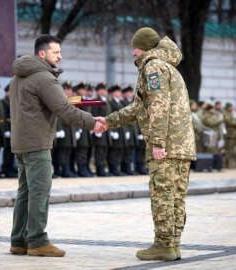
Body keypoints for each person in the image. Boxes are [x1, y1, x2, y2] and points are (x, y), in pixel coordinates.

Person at [94, 27, 196, 261]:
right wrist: (109, 121)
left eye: (135, 47)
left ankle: (163, 245)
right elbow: (140, 107)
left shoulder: (153, 67)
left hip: (166, 146)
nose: (133, 52)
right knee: (176, 196)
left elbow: (158, 107)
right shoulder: (167, 67)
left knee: (162, 194)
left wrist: (158, 143)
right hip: (182, 146)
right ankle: (173, 244)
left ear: (144, 47)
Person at [9, 34, 101, 257]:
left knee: (25, 192)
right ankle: (38, 241)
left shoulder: (18, 77)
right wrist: (92, 122)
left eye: (60, 52)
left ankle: (19, 240)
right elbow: (64, 109)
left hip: (21, 142)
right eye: (55, 52)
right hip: (37, 143)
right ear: (42, 54)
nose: (60, 56)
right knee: (39, 192)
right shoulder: (43, 77)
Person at [91, 82, 112, 176]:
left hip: (106, 129)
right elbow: (94, 114)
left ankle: (102, 168)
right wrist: (95, 128)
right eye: (102, 89)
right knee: (99, 151)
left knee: (104, 150)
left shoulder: (107, 101)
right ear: (98, 91)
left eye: (105, 89)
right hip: (99, 129)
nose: (105, 91)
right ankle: (99, 170)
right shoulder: (96, 101)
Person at [107, 84, 127, 176]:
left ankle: (117, 168)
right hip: (114, 129)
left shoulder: (121, 103)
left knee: (120, 150)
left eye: (119, 91)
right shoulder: (110, 103)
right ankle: (113, 168)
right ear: (113, 93)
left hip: (121, 129)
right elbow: (109, 117)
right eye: (117, 91)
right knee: (114, 151)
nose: (119, 93)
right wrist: (112, 131)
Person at [121, 85, 138, 175]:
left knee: (130, 150)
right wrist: (125, 130)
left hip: (133, 131)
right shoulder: (122, 102)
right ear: (125, 93)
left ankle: (129, 168)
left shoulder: (133, 103)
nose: (131, 94)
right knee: (125, 150)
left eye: (132, 92)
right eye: (129, 92)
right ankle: (124, 168)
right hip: (125, 130)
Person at [1, 84, 16, 178]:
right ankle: (6, 169)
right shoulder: (3, 102)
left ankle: (11, 168)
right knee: (7, 150)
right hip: (8, 127)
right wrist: (6, 130)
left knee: (12, 150)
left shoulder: (13, 101)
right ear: (7, 92)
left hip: (14, 128)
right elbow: (3, 117)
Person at [223, 103, 236, 168]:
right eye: (231, 107)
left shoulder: (233, 113)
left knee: (231, 149)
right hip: (229, 135)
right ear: (228, 107)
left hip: (233, 134)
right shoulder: (225, 113)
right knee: (228, 149)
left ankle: (229, 163)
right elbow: (230, 122)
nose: (232, 108)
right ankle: (228, 164)